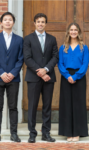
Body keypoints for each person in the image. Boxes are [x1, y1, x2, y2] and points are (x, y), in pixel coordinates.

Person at [23, 13, 59, 143]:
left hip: (49, 77)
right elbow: (27, 58)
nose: (40, 24)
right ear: (34, 23)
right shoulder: (28, 39)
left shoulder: (52, 38)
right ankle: (32, 133)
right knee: (32, 106)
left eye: (43, 22)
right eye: (38, 22)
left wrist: (46, 70)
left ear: (46, 24)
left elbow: (55, 56)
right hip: (33, 77)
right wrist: (40, 72)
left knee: (47, 106)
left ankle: (46, 133)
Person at [58, 23, 89, 142]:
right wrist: (67, 75)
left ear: (79, 32)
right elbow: (60, 64)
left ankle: (77, 132)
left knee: (78, 104)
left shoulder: (83, 47)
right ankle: (68, 132)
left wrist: (75, 76)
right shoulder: (63, 47)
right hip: (66, 77)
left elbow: (85, 64)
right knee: (66, 104)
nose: (73, 32)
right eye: (71, 30)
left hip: (79, 77)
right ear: (68, 32)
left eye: (75, 30)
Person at [0, 12, 24, 142]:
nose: (8, 22)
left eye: (10, 20)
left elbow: (21, 59)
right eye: (5, 20)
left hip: (13, 78)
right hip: (0, 77)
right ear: (1, 22)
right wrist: (2, 73)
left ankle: (14, 134)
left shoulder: (19, 40)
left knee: (13, 107)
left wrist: (13, 73)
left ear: (13, 23)